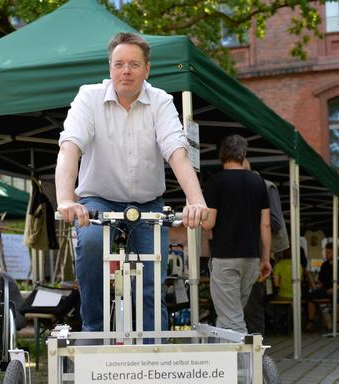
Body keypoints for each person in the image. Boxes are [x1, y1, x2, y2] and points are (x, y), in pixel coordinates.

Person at [55, 32, 207, 333]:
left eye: (134, 65)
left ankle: (155, 349)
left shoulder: (161, 101)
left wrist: (196, 200)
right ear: (110, 68)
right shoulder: (89, 97)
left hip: (148, 203)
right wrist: (66, 199)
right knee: (92, 243)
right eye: (119, 64)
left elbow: (177, 152)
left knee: (151, 279)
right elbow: (70, 147)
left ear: (146, 70)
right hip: (98, 199)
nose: (126, 71)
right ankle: (94, 333)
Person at [201, 135, 271, 333]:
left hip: (225, 259)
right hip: (251, 259)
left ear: (221, 155)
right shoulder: (259, 183)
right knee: (231, 314)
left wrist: (195, 209)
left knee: (232, 320)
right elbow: (265, 225)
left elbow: (209, 224)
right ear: (244, 155)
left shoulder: (215, 182)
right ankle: (227, 362)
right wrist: (265, 259)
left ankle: (243, 363)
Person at [243, 158, 288, 335]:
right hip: (240, 256)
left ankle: (257, 358)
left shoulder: (266, 187)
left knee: (252, 309)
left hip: (256, 256)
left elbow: (275, 222)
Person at [311, 242, 339, 331]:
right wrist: (316, 286)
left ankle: (338, 323)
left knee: (337, 297)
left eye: (328, 252)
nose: (326, 254)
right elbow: (321, 282)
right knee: (311, 296)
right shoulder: (324, 265)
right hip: (326, 289)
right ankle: (310, 321)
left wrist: (334, 289)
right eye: (326, 252)